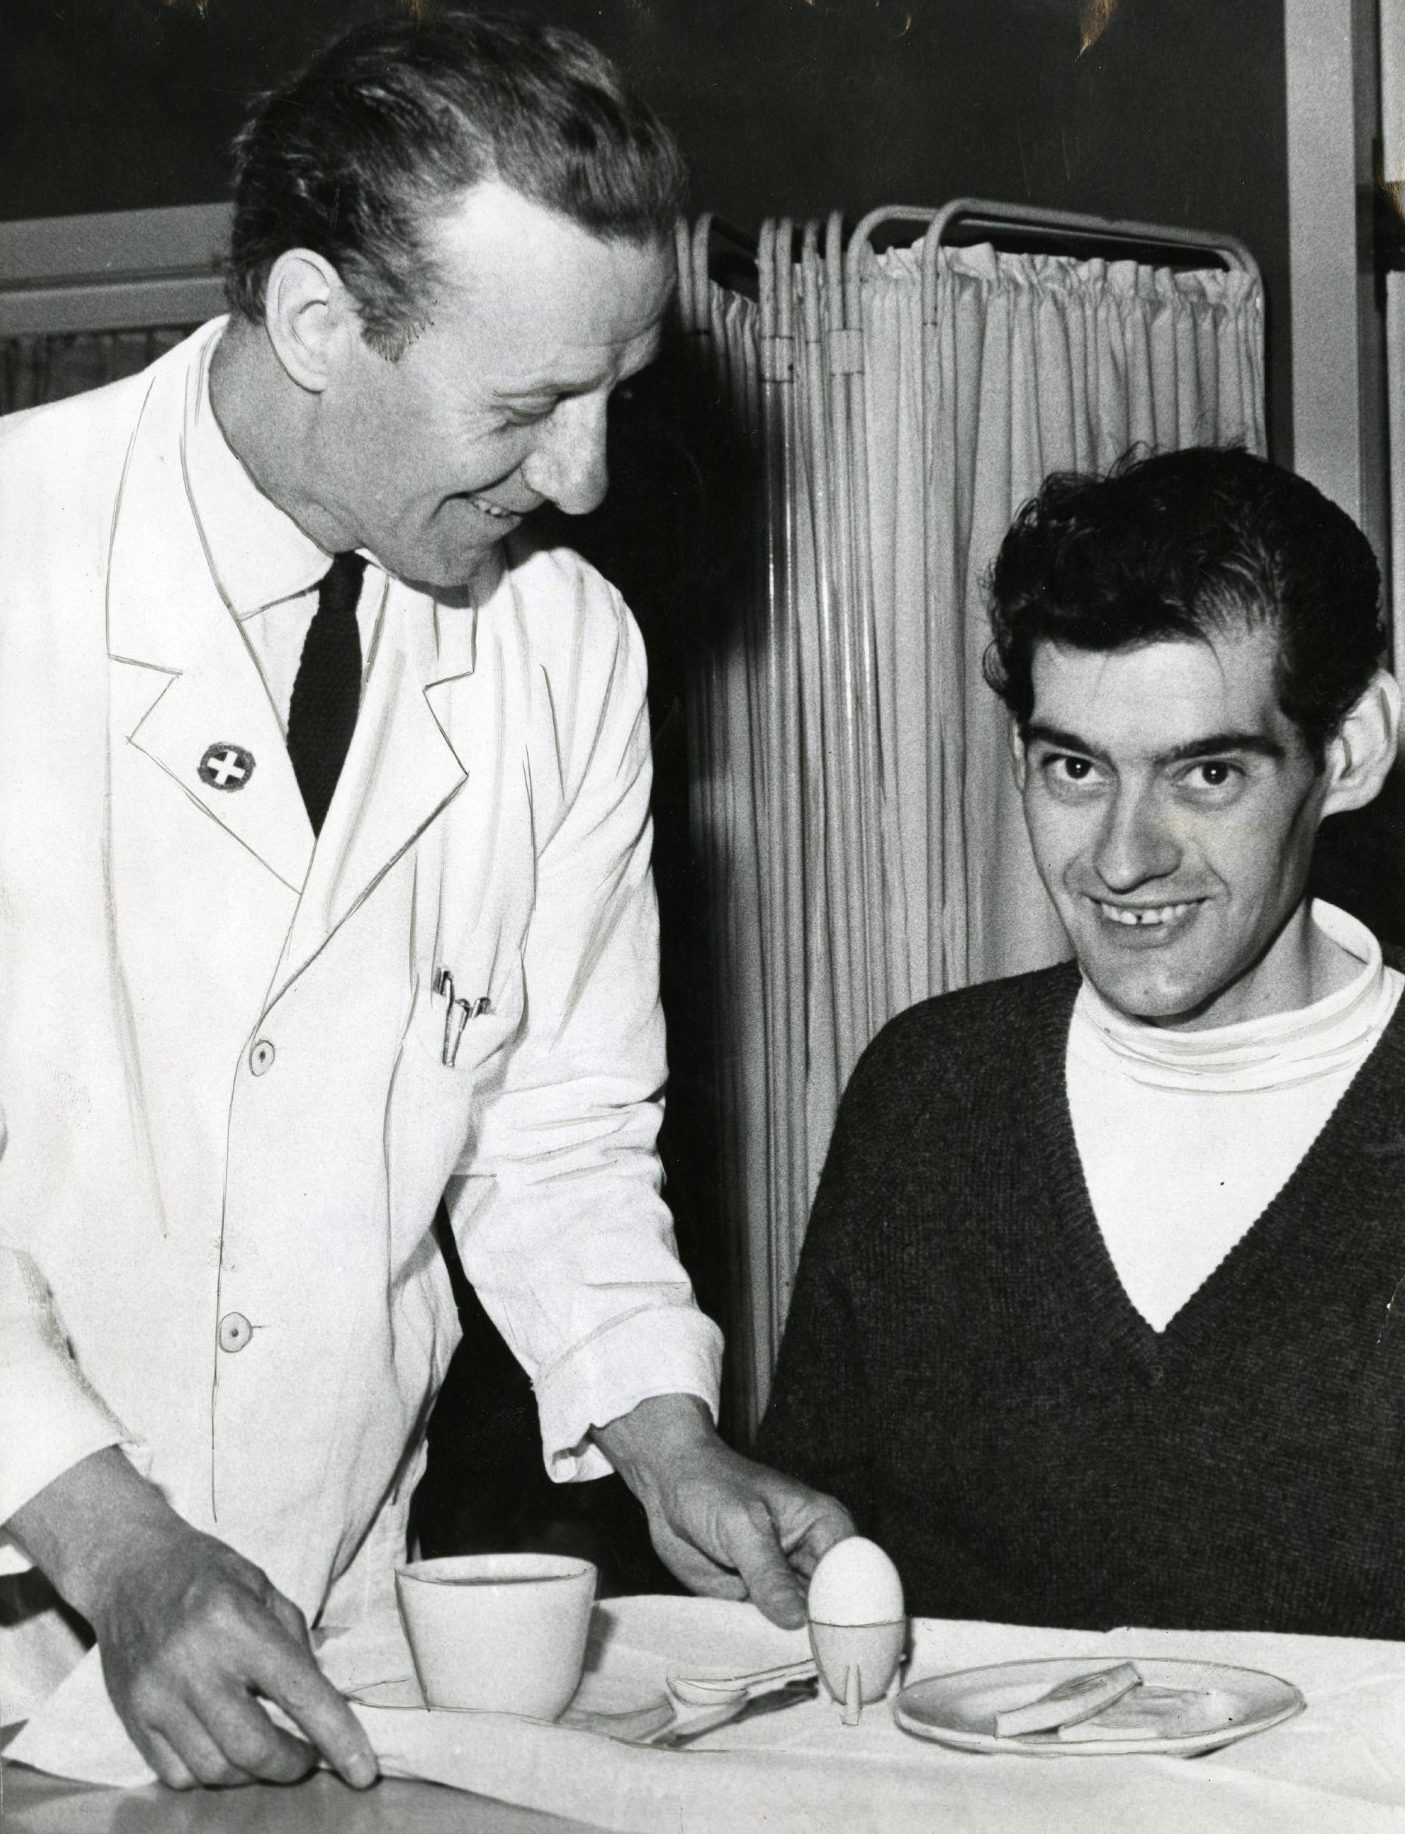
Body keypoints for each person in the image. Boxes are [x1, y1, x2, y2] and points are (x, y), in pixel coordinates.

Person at [0, 15, 851, 1791]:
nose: (589, 477)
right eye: (531, 407)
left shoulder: (563, 646)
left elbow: (557, 1126)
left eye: (618, 392)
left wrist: (660, 1425)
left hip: (327, 1618)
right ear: (317, 323)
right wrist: (118, 1540)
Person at [756, 446, 1405, 1641]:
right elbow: (815, 1578)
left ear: (1349, 750)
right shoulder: (927, 1092)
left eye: (1206, 773)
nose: (1119, 858)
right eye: (1073, 768)